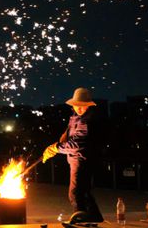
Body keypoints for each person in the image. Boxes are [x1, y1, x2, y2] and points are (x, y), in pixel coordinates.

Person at [43, 87, 104, 222]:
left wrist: (56, 148)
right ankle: (94, 216)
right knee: (84, 190)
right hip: (78, 158)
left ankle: (80, 218)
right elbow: (72, 133)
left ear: (88, 105)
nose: (79, 108)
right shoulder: (76, 117)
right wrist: (66, 134)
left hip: (81, 159)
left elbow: (77, 145)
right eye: (77, 105)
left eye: (83, 106)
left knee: (75, 192)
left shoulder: (85, 121)